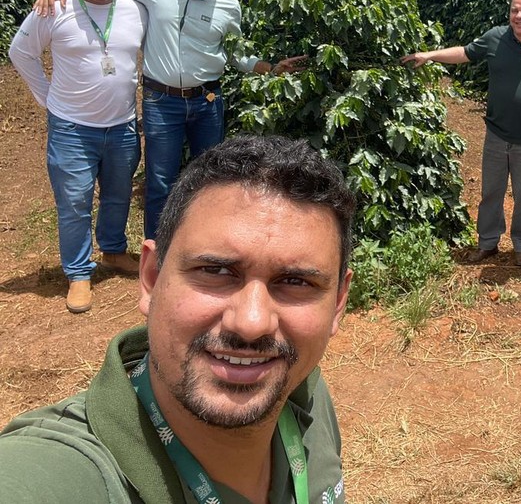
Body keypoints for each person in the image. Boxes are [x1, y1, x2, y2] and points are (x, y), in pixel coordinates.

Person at [0, 134, 355, 503]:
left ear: (337, 303)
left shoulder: (302, 392)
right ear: (151, 278)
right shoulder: (59, 474)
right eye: (216, 271)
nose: (251, 323)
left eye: (296, 282)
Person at [35, 0, 307, 241]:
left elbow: (235, 52)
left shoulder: (229, 5)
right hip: (161, 102)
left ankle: (203, 243)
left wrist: (270, 68)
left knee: (209, 179)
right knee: (160, 182)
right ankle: (158, 250)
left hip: (207, 101)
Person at [9, 0, 147, 313]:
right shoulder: (54, 8)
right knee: (74, 203)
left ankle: (113, 251)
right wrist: (47, 98)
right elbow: (20, 52)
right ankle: (78, 272)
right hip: (73, 128)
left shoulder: (134, 9)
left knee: (118, 195)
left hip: (121, 126)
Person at [402, 0, 521, 266]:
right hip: (496, 134)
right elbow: (465, 52)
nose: (519, 16)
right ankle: (488, 242)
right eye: (514, 10)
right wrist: (430, 55)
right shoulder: (496, 37)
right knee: (491, 193)